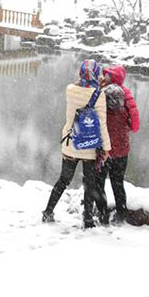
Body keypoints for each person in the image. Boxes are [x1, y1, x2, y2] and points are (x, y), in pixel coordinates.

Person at [41, 59, 111, 228]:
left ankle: (48, 211)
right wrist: (107, 148)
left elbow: (80, 89)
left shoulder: (70, 90)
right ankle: (87, 219)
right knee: (89, 183)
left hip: (72, 142)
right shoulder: (99, 94)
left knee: (63, 180)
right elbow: (101, 123)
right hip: (90, 144)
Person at [100, 65, 140, 225]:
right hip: (121, 150)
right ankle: (121, 214)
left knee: (99, 182)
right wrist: (124, 127)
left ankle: (102, 214)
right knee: (118, 183)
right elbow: (135, 126)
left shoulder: (101, 93)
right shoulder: (127, 95)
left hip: (104, 149)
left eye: (108, 75)